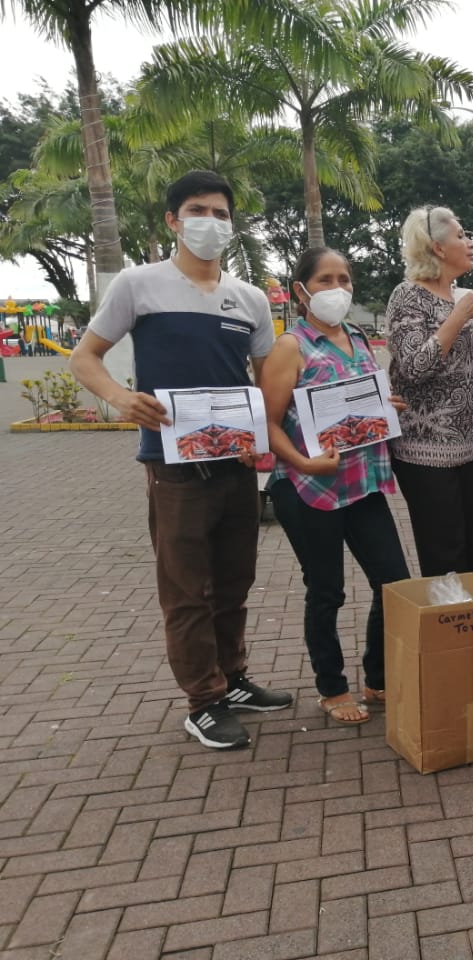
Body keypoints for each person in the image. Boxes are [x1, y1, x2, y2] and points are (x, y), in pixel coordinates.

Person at [69, 170, 293, 750]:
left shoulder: (249, 299)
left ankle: (233, 679)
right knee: (187, 588)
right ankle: (204, 701)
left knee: (235, 580)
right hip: (173, 466)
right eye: (198, 210)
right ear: (173, 220)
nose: (210, 223)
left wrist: (267, 436)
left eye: (221, 213)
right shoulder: (139, 285)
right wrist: (120, 398)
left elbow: (267, 378)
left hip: (236, 462)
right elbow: (86, 357)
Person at [260, 247, 412, 724]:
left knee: (394, 583)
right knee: (326, 590)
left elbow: (357, 400)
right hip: (307, 487)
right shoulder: (291, 346)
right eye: (325, 280)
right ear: (301, 290)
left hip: (362, 483)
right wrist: (303, 462)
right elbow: (267, 422)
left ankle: (378, 677)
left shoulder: (358, 337)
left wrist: (385, 407)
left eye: (344, 279)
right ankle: (332, 688)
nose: (337, 289)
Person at [386, 205, 473, 576]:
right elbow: (414, 367)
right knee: (444, 555)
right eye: (460, 236)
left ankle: (467, 614)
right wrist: (458, 317)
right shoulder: (408, 296)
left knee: (470, 551)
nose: (470, 243)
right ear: (438, 248)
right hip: (426, 452)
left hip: (471, 446)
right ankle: (445, 613)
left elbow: (467, 360)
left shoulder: (461, 296)